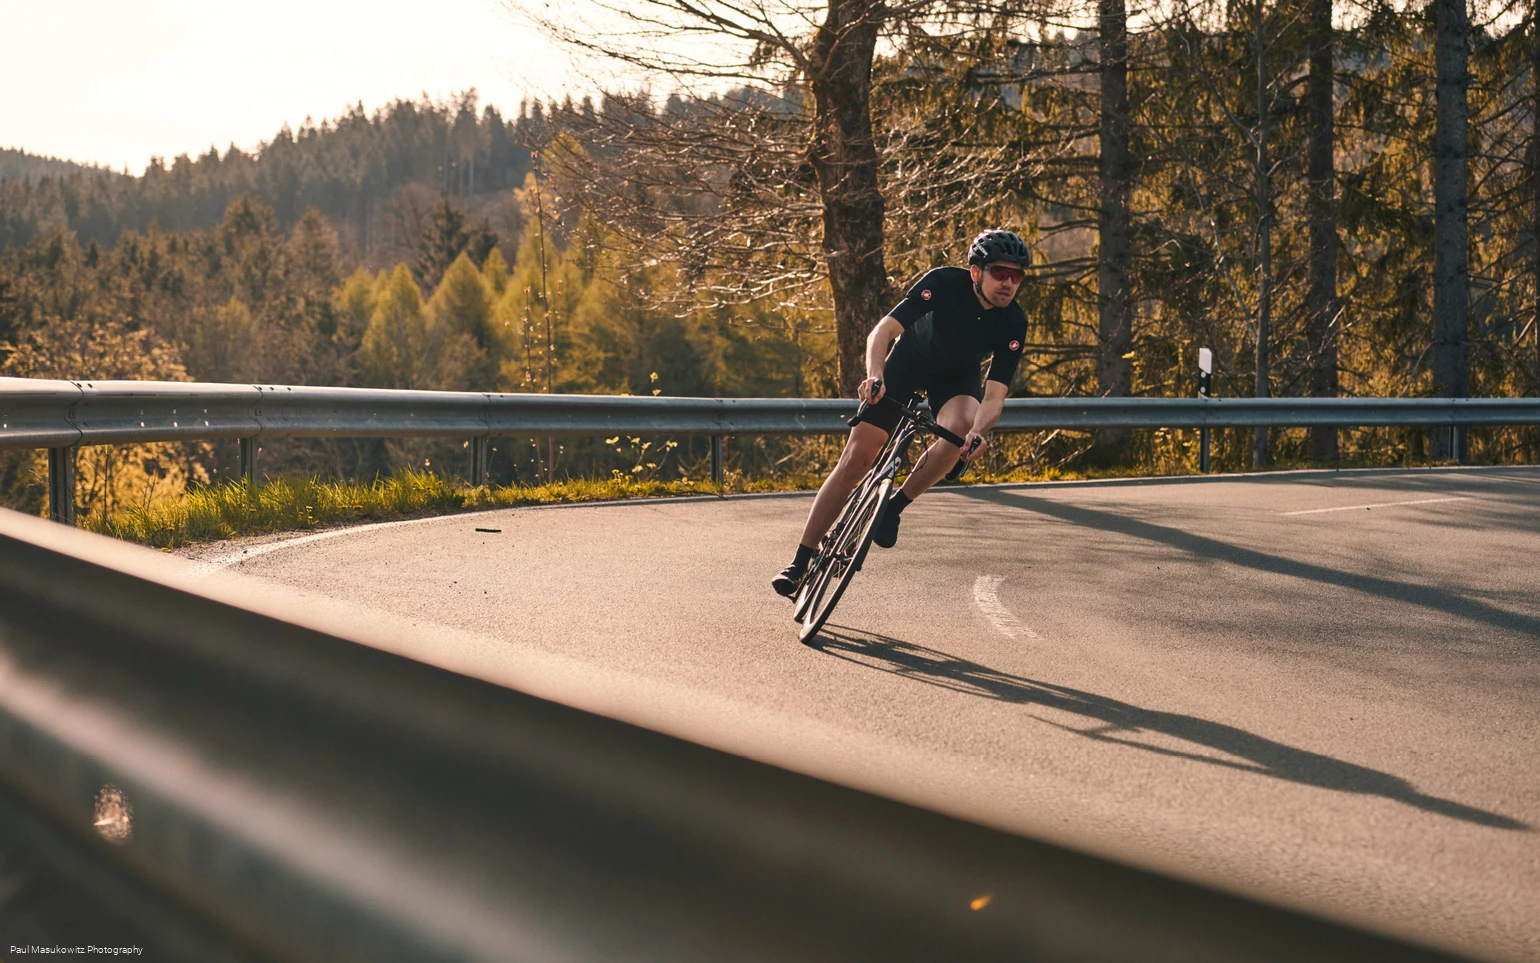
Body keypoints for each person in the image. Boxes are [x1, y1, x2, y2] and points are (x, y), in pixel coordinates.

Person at [772, 229, 1032, 597]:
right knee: (856, 459)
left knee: (959, 430)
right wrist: (875, 374)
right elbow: (883, 331)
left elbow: (994, 395)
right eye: (1000, 273)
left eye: (1017, 276)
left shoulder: (1013, 323)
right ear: (976, 272)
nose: (1008, 283)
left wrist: (978, 431)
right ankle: (800, 561)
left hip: (957, 378)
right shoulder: (942, 282)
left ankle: (893, 508)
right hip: (907, 364)